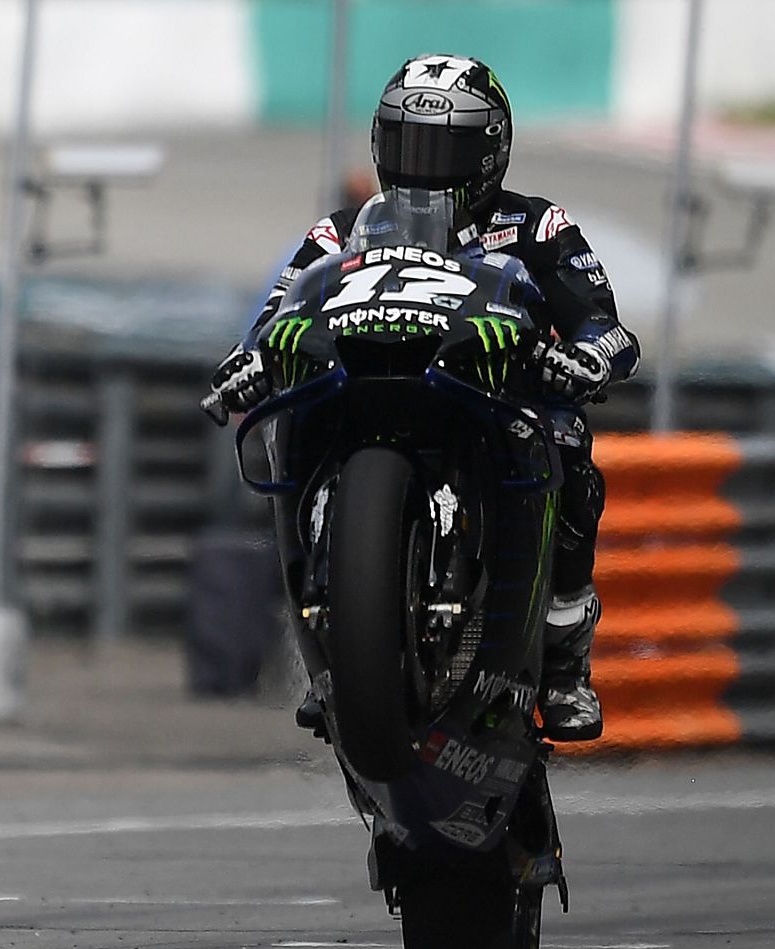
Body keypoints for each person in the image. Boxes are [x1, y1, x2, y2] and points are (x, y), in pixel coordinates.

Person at [210, 54, 641, 742]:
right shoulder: (340, 229)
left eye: (449, 146)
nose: (425, 164)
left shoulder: (538, 226)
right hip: (368, 388)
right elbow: (275, 311)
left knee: (568, 444)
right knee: (287, 429)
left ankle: (564, 659)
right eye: (409, 142)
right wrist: (251, 359)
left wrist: (585, 358)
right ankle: (331, 653)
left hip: (495, 402)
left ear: (491, 151)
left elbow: (607, 326)